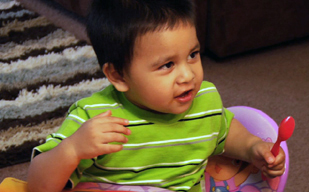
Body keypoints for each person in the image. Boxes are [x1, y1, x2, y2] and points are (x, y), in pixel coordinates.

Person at [27, 0, 286, 192]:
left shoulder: (204, 100)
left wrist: (253, 148)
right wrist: (72, 149)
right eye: (167, 65)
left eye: (193, 54)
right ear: (118, 76)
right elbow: (37, 186)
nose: (188, 75)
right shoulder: (93, 117)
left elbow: (226, 132)